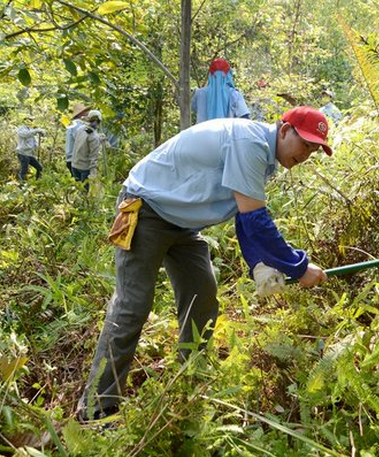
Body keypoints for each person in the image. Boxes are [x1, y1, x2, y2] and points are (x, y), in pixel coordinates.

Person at [78, 106, 332, 421]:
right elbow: (256, 220)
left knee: (202, 299)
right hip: (145, 210)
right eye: (304, 143)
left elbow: (244, 217)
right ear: (283, 130)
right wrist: (298, 267)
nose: (306, 153)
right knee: (133, 305)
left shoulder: (265, 158)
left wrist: (260, 266)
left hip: (182, 225)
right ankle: (96, 408)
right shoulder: (250, 143)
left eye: (314, 149)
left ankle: (186, 387)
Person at [191, 58, 250, 123]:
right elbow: (245, 117)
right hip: (227, 132)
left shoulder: (199, 93)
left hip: (203, 132)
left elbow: (190, 108)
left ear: (210, 75)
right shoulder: (234, 94)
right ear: (228, 75)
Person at [71, 110, 103, 191]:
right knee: (84, 193)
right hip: (84, 168)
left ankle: (76, 203)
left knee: (78, 189)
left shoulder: (80, 129)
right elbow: (93, 156)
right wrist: (93, 173)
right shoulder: (94, 137)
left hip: (74, 164)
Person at [15, 116, 45, 180]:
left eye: (31, 120)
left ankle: (38, 181)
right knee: (24, 170)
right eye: (29, 120)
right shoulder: (21, 129)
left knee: (40, 168)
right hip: (22, 153)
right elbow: (25, 134)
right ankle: (21, 185)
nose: (31, 122)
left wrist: (42, 133)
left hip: (29, 154)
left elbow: (34, 141)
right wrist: (36, 130)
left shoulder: (31, 130)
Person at [65, 103, 91, 174]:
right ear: (81, 114)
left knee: (79, 183)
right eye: (85, 111)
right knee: (83, 183)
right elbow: (81, 139)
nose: (87, 114)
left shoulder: (73, 124)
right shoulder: (77, 125)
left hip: (72, 159)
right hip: (76, 160)